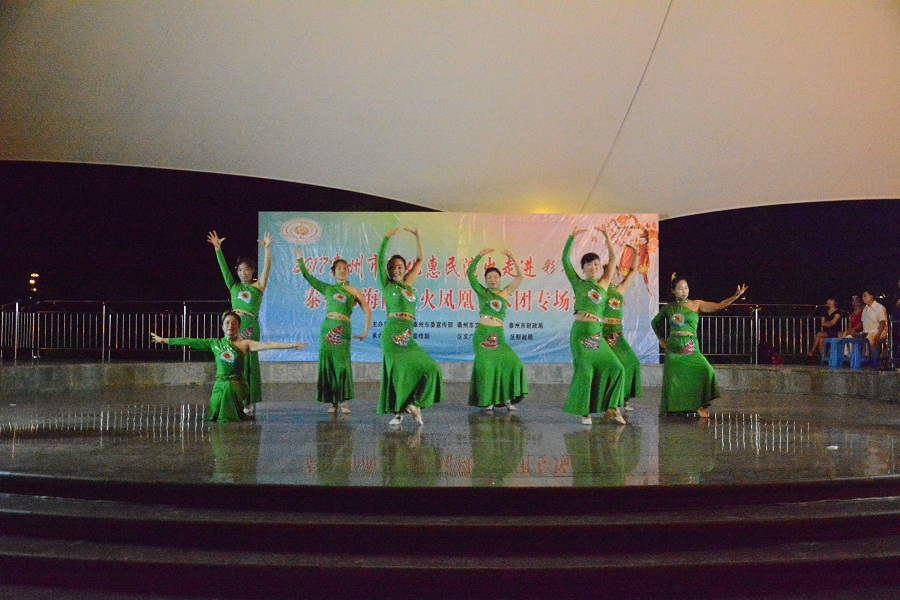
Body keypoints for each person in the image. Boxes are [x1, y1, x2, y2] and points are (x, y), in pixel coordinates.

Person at [150, 311, 305, 422]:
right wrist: (164, 340)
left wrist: (292, 345)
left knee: (229, 388)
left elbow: (269, 345)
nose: (231, 326)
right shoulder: (214, 343)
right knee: (216, 404)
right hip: (220, 383)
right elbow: (189, 341)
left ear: (239, 327)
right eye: (227, 323)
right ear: (223, 327)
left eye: (234, 323)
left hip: (238, 383)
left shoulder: (245, 344)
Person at [651, 277, 748, 418]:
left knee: (706, 370)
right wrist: (661, 339)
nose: (684, 291)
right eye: (680, 288)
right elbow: (654, 322)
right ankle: (674, 408)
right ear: (673, 291)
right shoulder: (669, 308)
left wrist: (735, 296)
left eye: (686, 288)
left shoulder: (696, 304)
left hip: (691, 347)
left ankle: (699, 404)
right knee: (674, 380)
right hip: (673, 349)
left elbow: (718, 306)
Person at [376, 227, 444, 426]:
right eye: (392, 267)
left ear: (405, 269)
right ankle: (398, 413)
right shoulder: (387, 285)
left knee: (431, 370)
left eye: (400, 267)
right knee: (399, 374)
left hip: (408, 337)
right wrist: (387, 237)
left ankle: (414, 404)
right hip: (391, 335)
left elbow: (421, 260)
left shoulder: (408, 284)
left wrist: (417, 236)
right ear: (388, 270)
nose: (396, 270)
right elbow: (379, 260)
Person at [294, 248, 372, 415]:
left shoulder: (353, 291)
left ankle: (342, 400)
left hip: (344, 330)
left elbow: (367, 309)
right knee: (329, 365)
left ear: (348, 272)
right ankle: (333, 403)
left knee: (341, 365)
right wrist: (300, 259)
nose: (342, 271)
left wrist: (366, 331)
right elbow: (308, 276)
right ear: (333, 272)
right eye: (339, 269)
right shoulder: (327, 289)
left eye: (345, 268)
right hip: (327, 329)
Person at [561, 227, 627, 426]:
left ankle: (613, 407)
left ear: (600, 268)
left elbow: (613, 260)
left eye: (596, 264)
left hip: (597, 336)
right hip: (580, 334)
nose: (593, 267)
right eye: (588, 264)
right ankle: (585, 413)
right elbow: (565, 260)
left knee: (617, 368)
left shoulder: (604, 284)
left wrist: (607, 237)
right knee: (585, 372)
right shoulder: (578, 283)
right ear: (583, 269)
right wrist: (571, 237)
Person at [207, 230, 272, 417]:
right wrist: (218, 249)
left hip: (250, 326)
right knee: (234, 362)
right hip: (234, 326)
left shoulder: (258, 287)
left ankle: (249, 401)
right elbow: (224, 270)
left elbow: (267, 269)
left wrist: (267, 250)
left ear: (252, 271)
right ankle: (235, 398)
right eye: (240, 270)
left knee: (249, 362)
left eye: (247, 269)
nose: (243, 273)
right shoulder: (234, 286)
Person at [467, 248, 528, 411]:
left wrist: (513, 257)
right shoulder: (482, 292)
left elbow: (521, 276)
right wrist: (479, 256)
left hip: (498, 335)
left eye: (495, 277)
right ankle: (487, 400)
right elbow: (470, 273)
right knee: (486, 368)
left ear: (500, 279)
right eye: (489, 277)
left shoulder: (506, 292)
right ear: (486, 280)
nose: (493, 280)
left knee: (512, 363)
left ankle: (506, 398)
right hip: (482, 334)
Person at [602, 236, 644, 411]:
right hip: (602, 335)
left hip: (618, 336)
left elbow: (633, 270)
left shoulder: (620, 289)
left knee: (632, 362)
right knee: (612, 367)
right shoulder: (600, 290)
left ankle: (624, 398)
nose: (612, 276)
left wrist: (636, 253)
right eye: (608, 273)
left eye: (615, 273)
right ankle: (608, 400)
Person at [861, 290, 888, 368]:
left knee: (871, 335)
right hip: (866, 332)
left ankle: (873, 361)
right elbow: (861, 323)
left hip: (880, 331)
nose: (863, 298)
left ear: (871, 297)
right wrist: (853, 330)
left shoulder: (879, 307)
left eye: (865, 296)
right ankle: (847, 359)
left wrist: (878, 334)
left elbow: (883, 323)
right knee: (848, 337)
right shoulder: (865, 309)